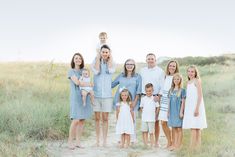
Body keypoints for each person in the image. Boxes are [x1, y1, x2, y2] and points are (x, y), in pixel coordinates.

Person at [91, 44, 116, 147]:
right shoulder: (95, 61)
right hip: (96, 95)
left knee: (105, 118)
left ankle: (105, 140)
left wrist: (110, 58)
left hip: (107, 96)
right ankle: (97, 140)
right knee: (97, 118)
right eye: (103, 52)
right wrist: (97, 57)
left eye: (106, 52)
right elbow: (96, 71)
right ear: (100, 52)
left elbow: (110, 70)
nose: (105, 54)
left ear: (109, 53)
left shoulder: (112, 62)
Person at [112, 58, 142, 143]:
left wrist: (135, 101)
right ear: (125, 66)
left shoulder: (137, 76)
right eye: (127, 64)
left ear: (134, 66)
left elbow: (138, 90)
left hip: (132, 101)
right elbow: (112, 84)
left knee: (132, 120)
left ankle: (132, 139)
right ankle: (120, 139)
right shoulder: (121, 75)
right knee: (121, 119)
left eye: (131, 64)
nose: (129, 66)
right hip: (121, 101)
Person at [67, 53, 93, 149]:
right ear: (73, 60)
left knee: (82, 120)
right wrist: (88, 84)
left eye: (80, 58)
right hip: (75, 97)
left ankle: (78, 142)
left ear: (82, 60)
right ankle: (70, 141)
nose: (78, 60)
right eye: (76, 58)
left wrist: (88, 85)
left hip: (84, 96)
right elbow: (77, 82)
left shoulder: (84, 70)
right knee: (76, 120)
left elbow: (90, 82)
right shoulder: (71, 71)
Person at [139, 53, 165, 147]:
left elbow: (162, 85)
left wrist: (159, 95)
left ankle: (156, 142)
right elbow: (140, 83)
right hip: (144, 97)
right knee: (145, 119)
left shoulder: (160, 71)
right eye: (148, 59)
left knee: (155, 121)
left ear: (155, 60)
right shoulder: (142, 70)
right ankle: (146, 142)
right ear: (146, 60)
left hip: (155, 97)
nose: (150, 60)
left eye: (152, 59)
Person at [183, 65, 207, 149]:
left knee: (196, 127)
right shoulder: (188, 82)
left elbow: (200, 95)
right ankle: (196, 148)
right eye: (189, 71)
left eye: (192, 71)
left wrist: (197, 108)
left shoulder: (197, 81)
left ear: (195, 72)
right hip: (190, 106)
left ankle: (193, 147)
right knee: (194, 127)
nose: (190, 73)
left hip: (196, 106)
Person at [158, 60, 179, 148]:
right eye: (170, 66)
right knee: (163, 122)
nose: (172, 67)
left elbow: (179, 90)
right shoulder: (165, 76)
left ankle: (174, 143)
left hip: (173, 101)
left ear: (176, 67)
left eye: (174, 66)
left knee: (173, 123)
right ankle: (169, 141)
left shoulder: (177, 77)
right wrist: (159, 97)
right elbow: (162, 88)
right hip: (164, 100)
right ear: (168, 67)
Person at [167, 73, 186, 151]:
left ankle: (178, 145)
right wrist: (168, 111)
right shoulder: (170, 90)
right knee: (173, 128)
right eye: (175, 79)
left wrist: (181, 112)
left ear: (180, 80)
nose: (176, 80)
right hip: (172, 111)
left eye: (178, 79)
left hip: (178, 111)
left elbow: (183, 102)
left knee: (179, 128)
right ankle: (174, 145)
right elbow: (168, 101)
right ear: (173, 80)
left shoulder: (182, 90)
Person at [140, 83, 160, 147]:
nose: (148, 92)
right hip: (144, 118)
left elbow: (158, 107)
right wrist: (143, 112)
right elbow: (141, 107)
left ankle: (152, 145)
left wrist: (156, 115)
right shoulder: (143, 98)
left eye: (150, 91)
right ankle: (145, 144)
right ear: (145, 91)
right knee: (144, 131)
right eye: (147, 91)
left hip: (151, 118)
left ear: (152, 90)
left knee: (151, 132)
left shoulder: (154, 99)